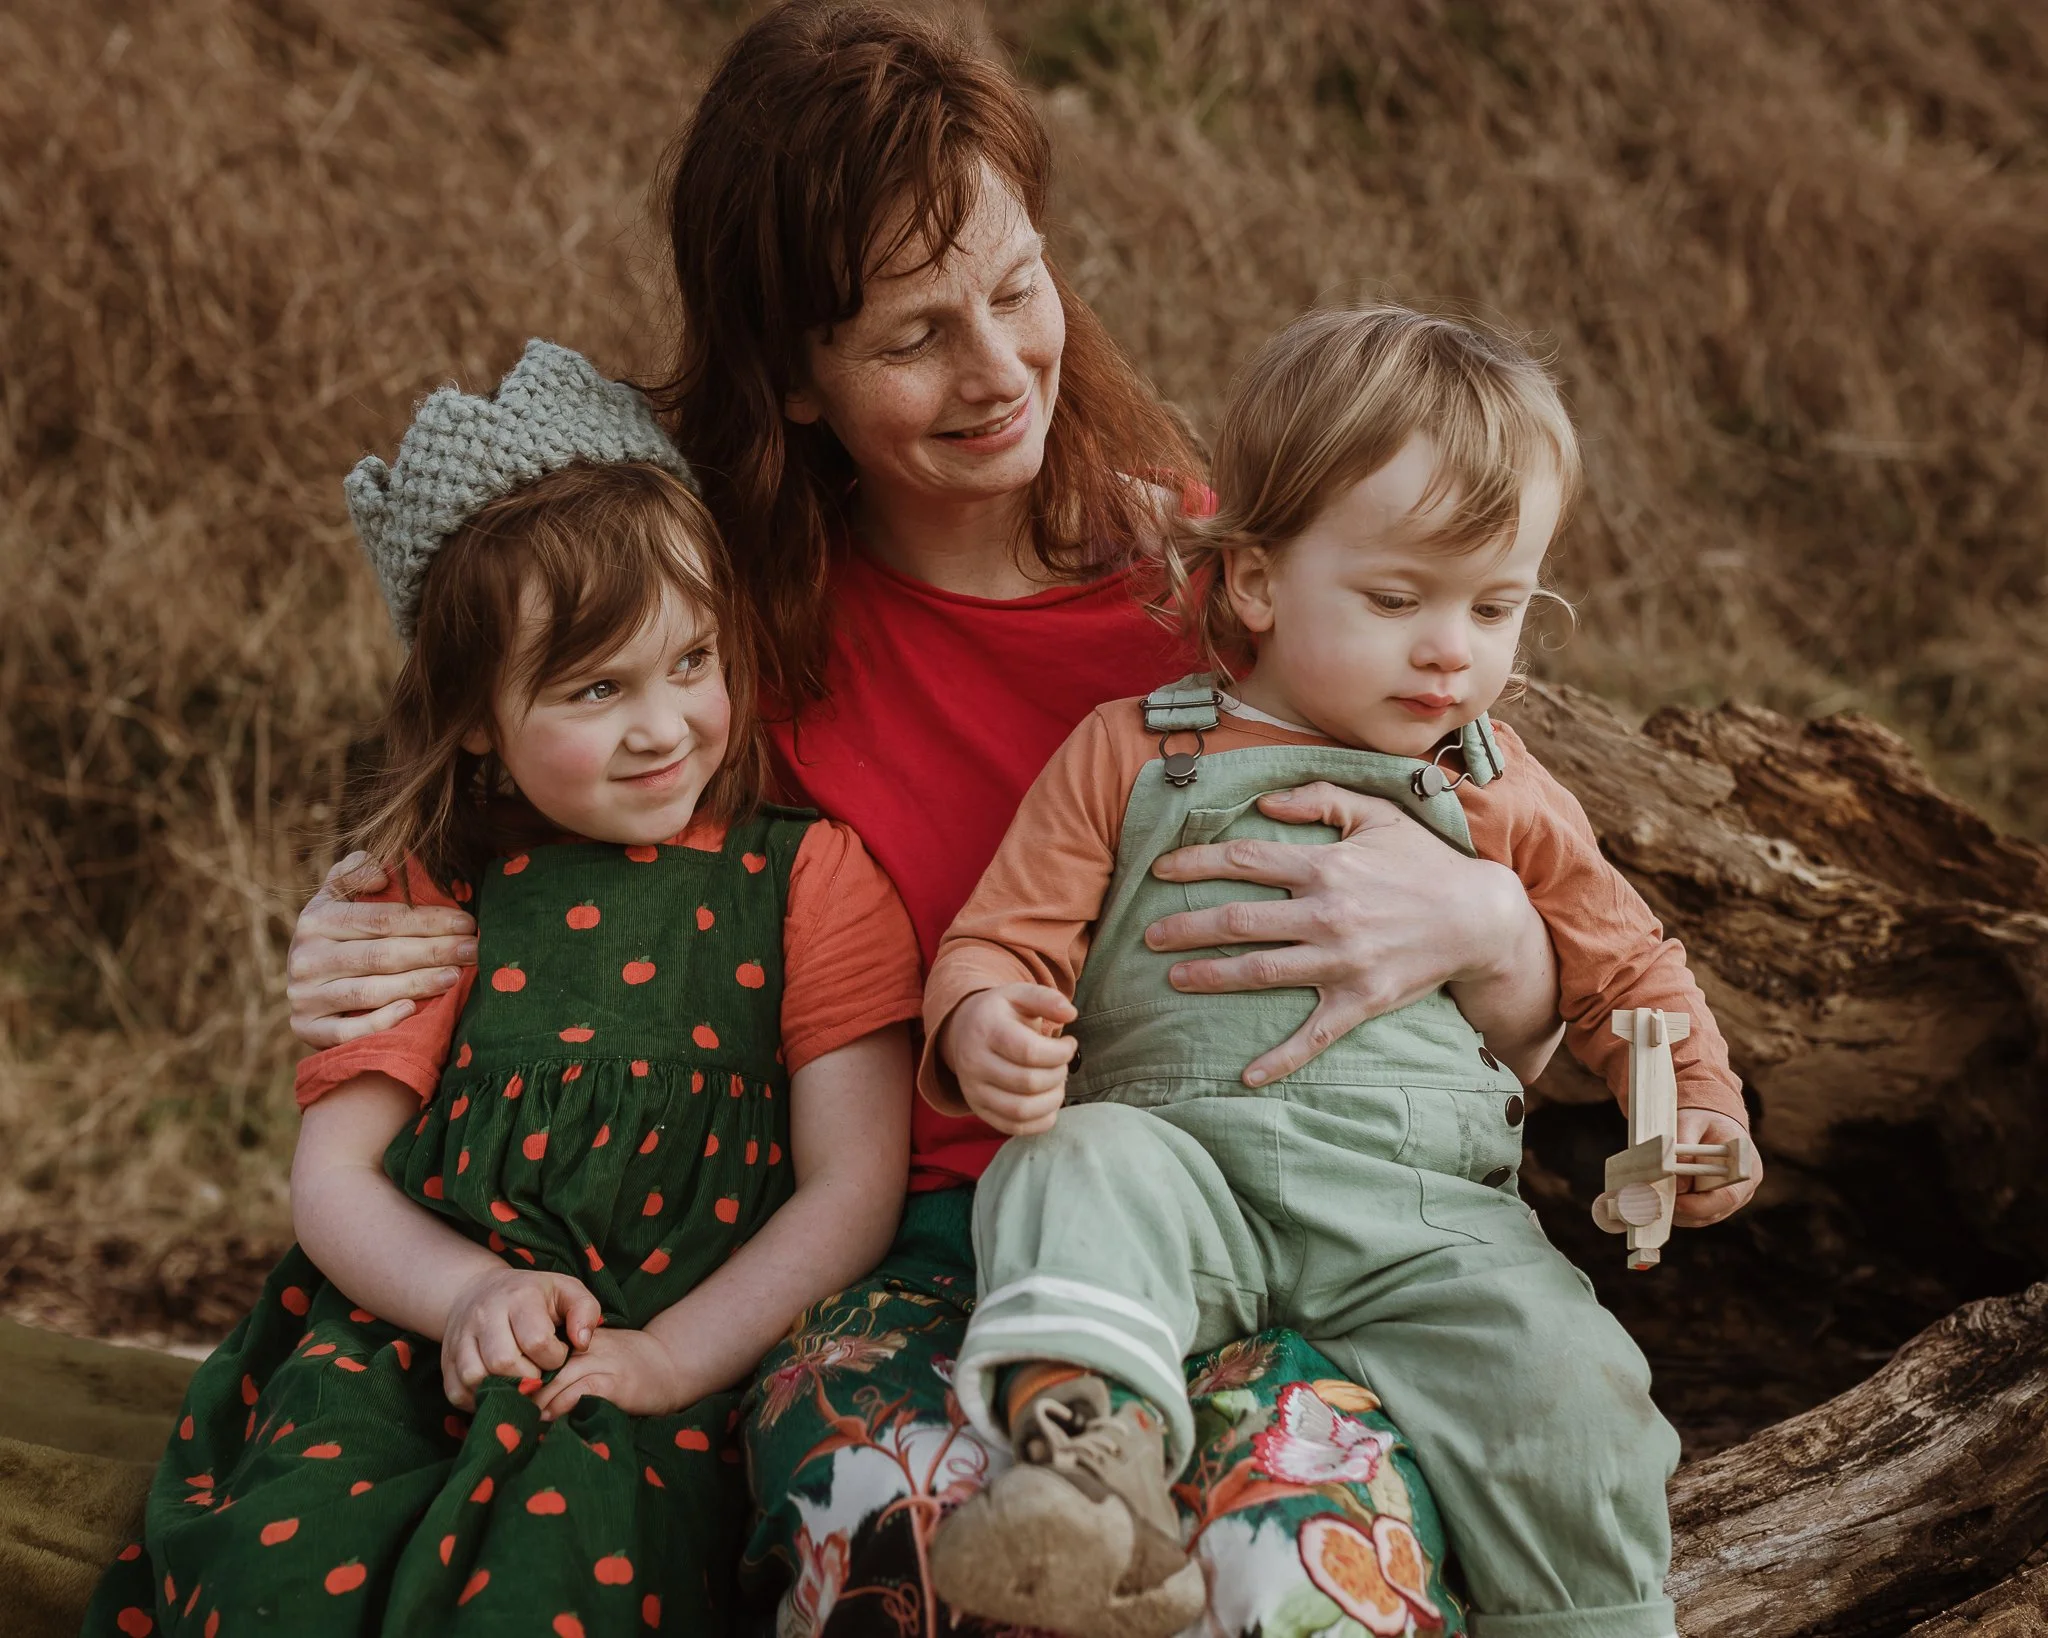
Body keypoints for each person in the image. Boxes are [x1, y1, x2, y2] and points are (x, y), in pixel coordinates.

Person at [279, 7, 1602, 1633]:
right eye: (913, 336)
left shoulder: (1233, 593)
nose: (997, 371)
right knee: (903, 1543)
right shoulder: (730, 641)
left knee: (1304, 1576)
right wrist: (373, 918)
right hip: (906, 1254)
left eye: (1019, 286)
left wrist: (1494, 936)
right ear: (796, 377)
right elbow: (531, 795)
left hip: (1280, 1226)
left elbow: (1531, 974)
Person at [919, 307, 1762, 1638]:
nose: (1452, 650)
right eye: (1397, 600)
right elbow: (1003, 934)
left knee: (1578, 1384)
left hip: (1420, 1215)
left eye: (1496, 606)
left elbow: (1622, 964)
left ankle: (1590, 1617)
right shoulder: (1132, 752)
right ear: (1255, 581)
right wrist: (986, 1017)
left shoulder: (1497, 785)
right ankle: (1089, 1483)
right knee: (1062, 1169)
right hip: (1184, 1175)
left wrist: (1698, 1107)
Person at [83, 341, 924, 1636]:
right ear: (476, 712)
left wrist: (669, 1359)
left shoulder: (812, 879)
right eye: (597, 687)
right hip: (415, 1345)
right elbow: (334, 1179)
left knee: (552, 1590)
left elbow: (852, 1185)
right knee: (281, 1584)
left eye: (692, 660)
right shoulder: (430, 894)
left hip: (672, 1360)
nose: (664, 725)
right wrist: (467, 1293)